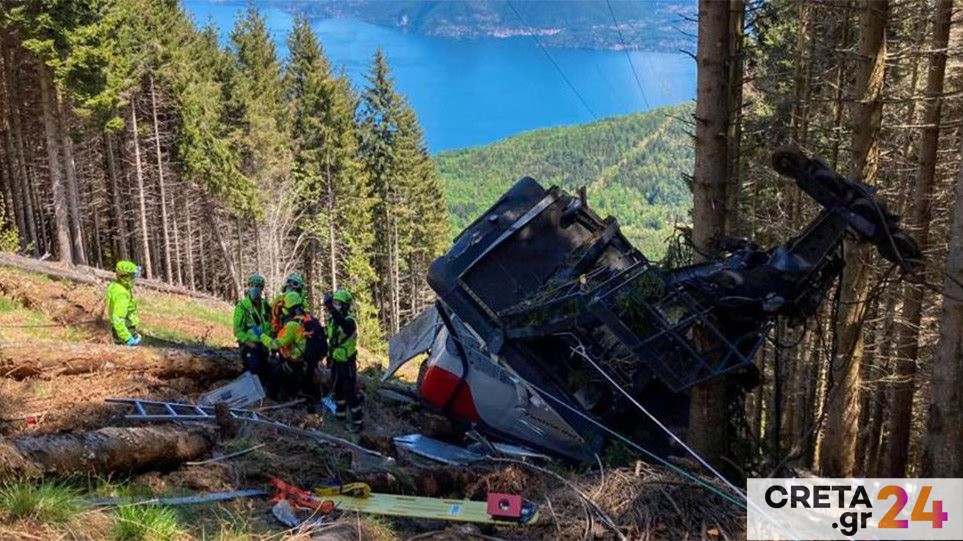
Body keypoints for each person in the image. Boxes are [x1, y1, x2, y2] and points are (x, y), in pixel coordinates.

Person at [261, 290, 326, 404]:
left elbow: (275, 344)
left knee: (273, 375)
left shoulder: (292, 325)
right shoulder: (308, 319)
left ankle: (274, 400)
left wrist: (261, 335)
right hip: (308, 361)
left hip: (295, 362)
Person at [324, 289, 363, 431]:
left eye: (338, 304)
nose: (336, 306)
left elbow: (344, 326)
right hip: (335, 361)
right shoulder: (331, 321)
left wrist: (331, 308)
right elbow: (330, 339)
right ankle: (340, 416)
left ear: (346, 305)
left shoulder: (349, 321)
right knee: (337, 391)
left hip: (347, 363)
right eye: (334, 303)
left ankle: (358, 421)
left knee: (349, 393)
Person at [233, 274, 271, 385]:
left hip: (264, 344)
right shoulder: (242, 307)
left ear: (261, 288)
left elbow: (269, 323)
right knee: (252, 369)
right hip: (250, 345)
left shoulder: (265, 305)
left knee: (264, 372)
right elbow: (237, 330)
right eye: (252, 285)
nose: (255, 288)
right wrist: (247, 342)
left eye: (258, 286)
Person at [106, 260, 142, 346]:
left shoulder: (115, 286)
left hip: (121, 329)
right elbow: (118, 318)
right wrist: (128, 338)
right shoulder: (121, 294)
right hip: (125, 330)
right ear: (125, 278)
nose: (134, 280)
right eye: (133, 277)